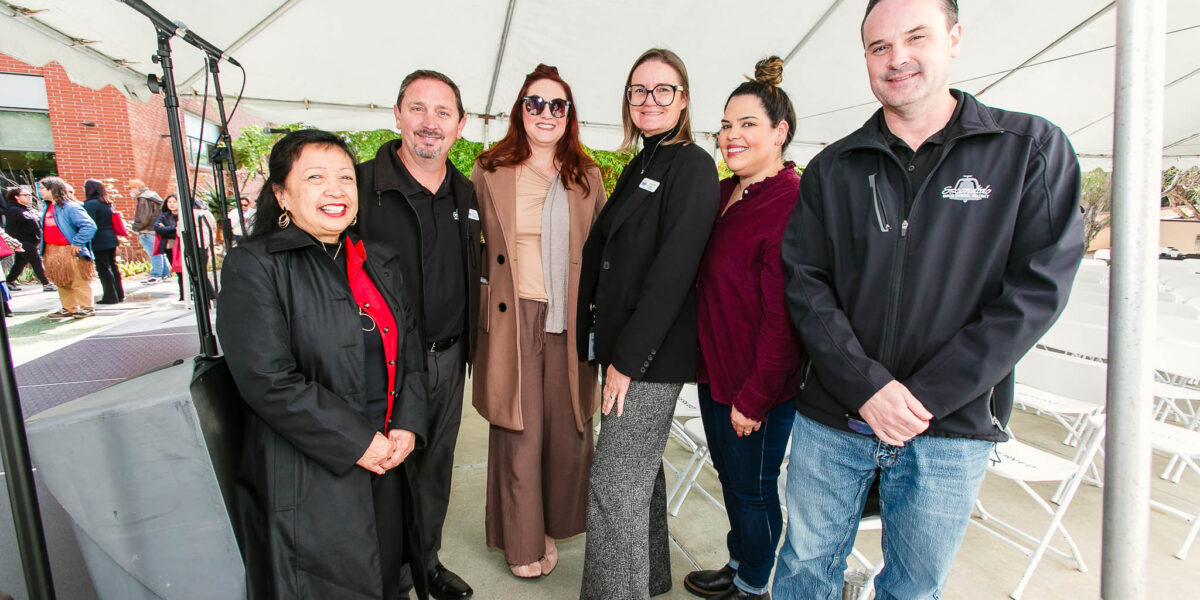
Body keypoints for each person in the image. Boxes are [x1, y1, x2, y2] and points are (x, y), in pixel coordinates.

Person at [773, 1, 1086, 598]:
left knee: (913, 588)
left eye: (916, 37)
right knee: (804, 567)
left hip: (950, 427)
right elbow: (806, 283)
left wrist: (922, 397)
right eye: (879, 47)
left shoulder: (1028, 149)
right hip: (834, 421)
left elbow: (1037, 291)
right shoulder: (833, 167)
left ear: (955, 39)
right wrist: (867, 387)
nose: (898, 59)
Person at [217, 129, 430, 600]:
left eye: (345, 178)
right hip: (311, 470)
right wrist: (357, 441)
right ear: (281, 194)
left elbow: (411, 352)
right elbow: (267, 380)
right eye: (316, 177)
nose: (336, 190)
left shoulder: (377, 260)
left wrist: (408, 426)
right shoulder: (255, 266)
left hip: (389, 455)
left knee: (388, 576)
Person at [577, 48, 720, 600]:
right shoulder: (644, 161)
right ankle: (651, 579)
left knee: (614, 485)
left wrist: (625, 364)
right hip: (625, 347)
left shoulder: (692, 165)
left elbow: (672, 274)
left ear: (683, 100)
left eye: (663, 90)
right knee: (640, 475)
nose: (649, 100)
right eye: (639, 90)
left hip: (648, 357)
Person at [469, 64, 606, 579]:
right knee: (518, 433)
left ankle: (552, 525)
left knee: (568, 432)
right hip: (512, 319)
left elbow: (600, 255)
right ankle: (522, 542)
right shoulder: (489, 169)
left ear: (569, 115)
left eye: (557, 105)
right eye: (535, 103)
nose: (545, 114)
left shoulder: (587, 176)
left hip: (568, 322)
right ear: (520, 111)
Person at [355, 69, 482, 600]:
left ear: (460, 125)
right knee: (382, 470)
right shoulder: (361, 185)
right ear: (397, 114)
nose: (430, 124)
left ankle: (425, 563)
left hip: (449, 358)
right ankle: (385, 579)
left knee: (435, 467)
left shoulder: (466, 190)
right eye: (418, 109)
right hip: (380, 364)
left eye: (442, 113)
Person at [685, 56, 802, 600]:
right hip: (717, 374)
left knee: (754, 492)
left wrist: (755, 398)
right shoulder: (729, 193)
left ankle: (754, 583)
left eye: (747, 124)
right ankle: (738, 563)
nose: (731, 136)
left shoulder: (789, 202)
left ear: (780, 133)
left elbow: (786, 317)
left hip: (758, 389)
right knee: (733, 484)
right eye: (726, 125)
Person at [39, 177, 97, 319]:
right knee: (61, 280)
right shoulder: (48, 207)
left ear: (51, 189)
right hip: (53, 250)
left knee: (79, 279)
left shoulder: (70, 207)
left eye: (42, 188)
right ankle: (69, 307)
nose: (39, 191)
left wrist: (78, 242)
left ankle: (86, 307)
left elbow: (89, 226)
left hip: (70, 249)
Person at [83, 179, 125, 304]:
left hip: (99, 239)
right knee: (113, 266)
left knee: (103, 269)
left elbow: (90, 223)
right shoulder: (107, 202)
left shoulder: (90, 204)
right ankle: (119, 293)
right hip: (110, 237)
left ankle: (110, 296)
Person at [4, 186, 54, 292]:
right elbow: (11, 229)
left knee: (20, 262)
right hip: (22, 242)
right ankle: (46, 283)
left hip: (31, 240)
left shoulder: (27, 209)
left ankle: (9, 281)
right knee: (36, 260)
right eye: (25, 195)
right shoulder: (14, 210)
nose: (29, 197)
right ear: (16, 197)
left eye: (29, 195)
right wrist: (15, 244)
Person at [128, 178, 167, 282]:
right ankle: (164, 273)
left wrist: (135, 228)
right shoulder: (153, 196)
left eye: (131, 188)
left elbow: (143, 218)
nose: (130, 191)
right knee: (159, 252)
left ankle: (156, 275)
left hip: (147, 231)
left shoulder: (143, 199)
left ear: (137, 188)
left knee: (154, 253)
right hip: (155, 229)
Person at [154, 195, 184, 300]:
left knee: (186, 270)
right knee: (178, 271)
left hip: (182, 245)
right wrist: (174, 229)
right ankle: (183, 295)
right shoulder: (164, 215)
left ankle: (190, 292)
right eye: (169, 202)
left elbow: (180, 230)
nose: (171, 204)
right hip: (170, 246)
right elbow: (157, 228)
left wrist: (168, 228)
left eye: (174, 201)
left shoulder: (183, 214)